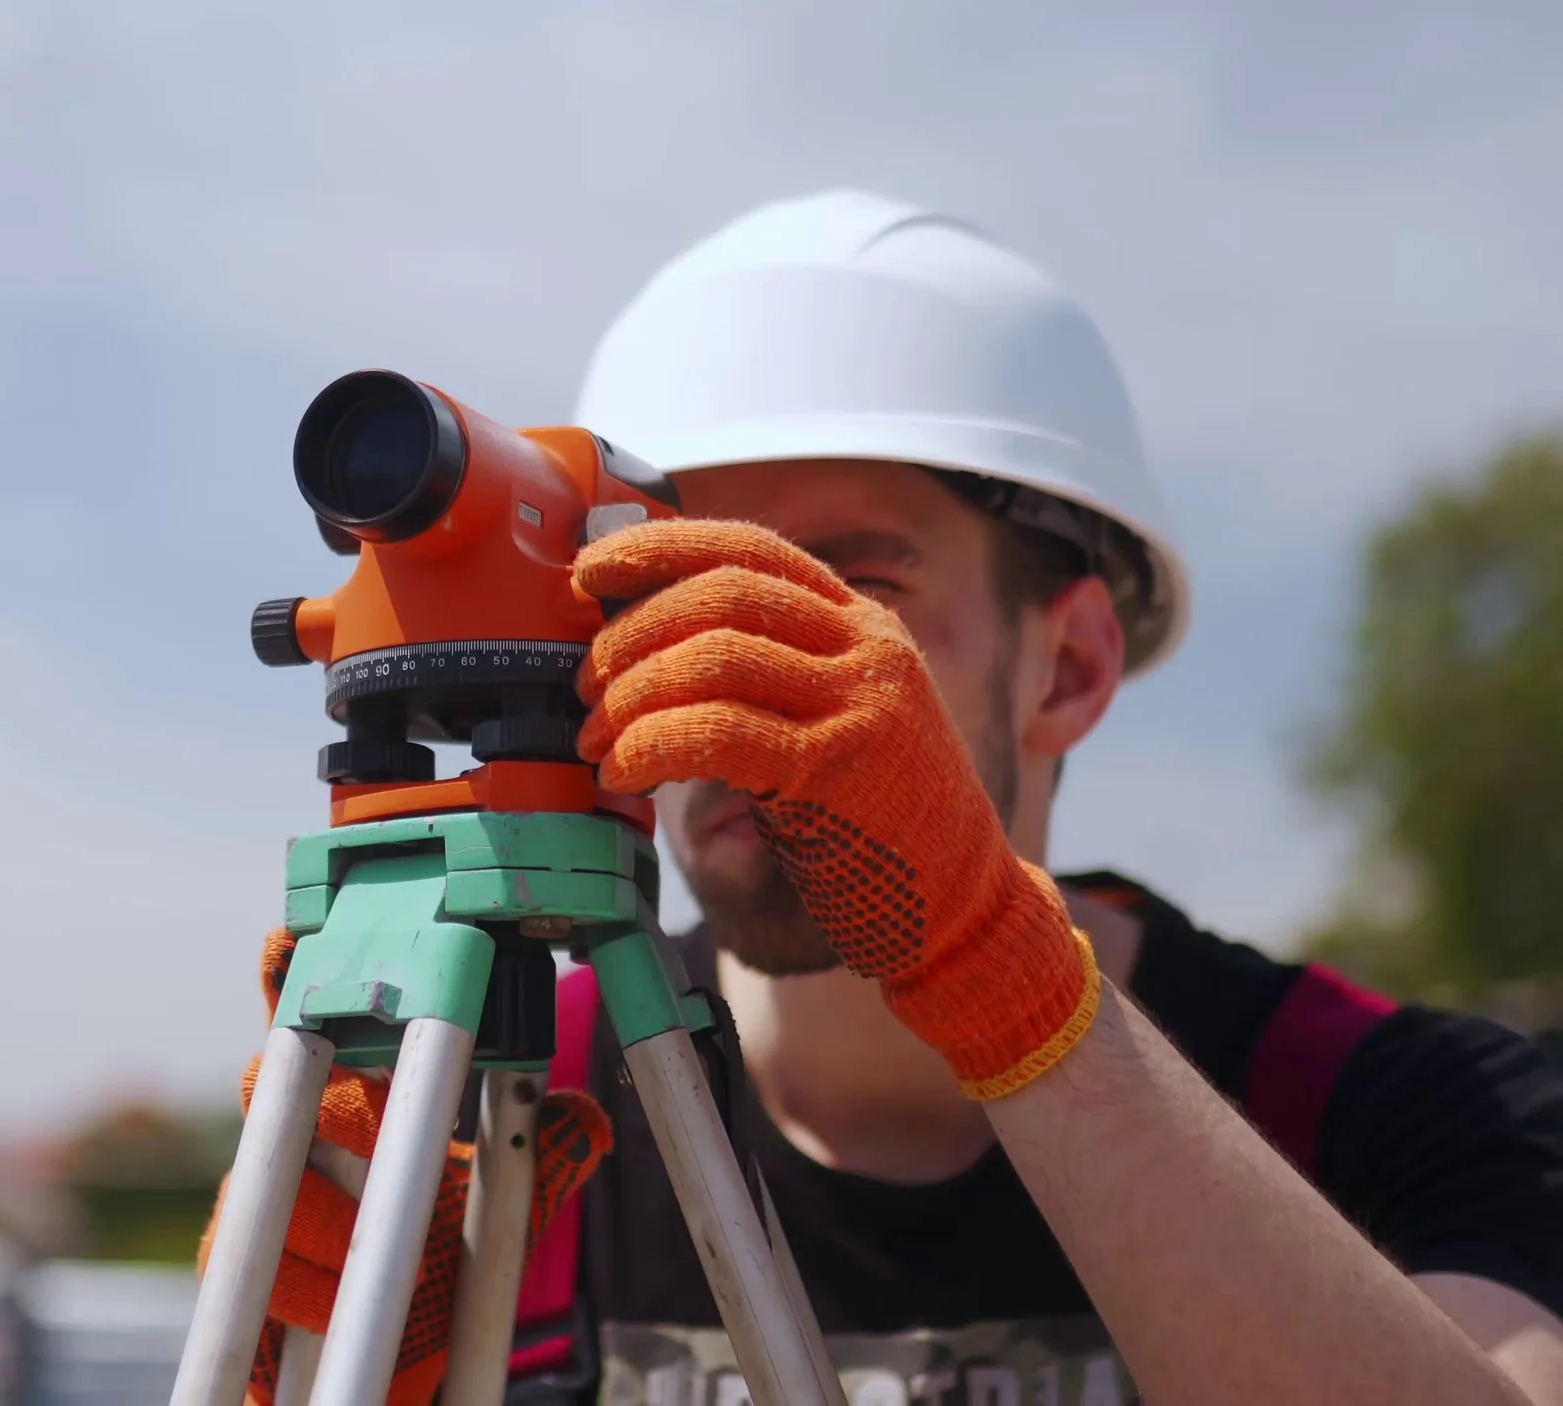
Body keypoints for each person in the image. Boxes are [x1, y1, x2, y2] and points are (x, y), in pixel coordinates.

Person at [220, 190, 1563, 1406]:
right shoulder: (510, 1113)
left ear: (1072, 664)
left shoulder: (1406, 1103)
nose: (732, 665)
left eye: (849, 593)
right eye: (667, 592)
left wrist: (999, 970)